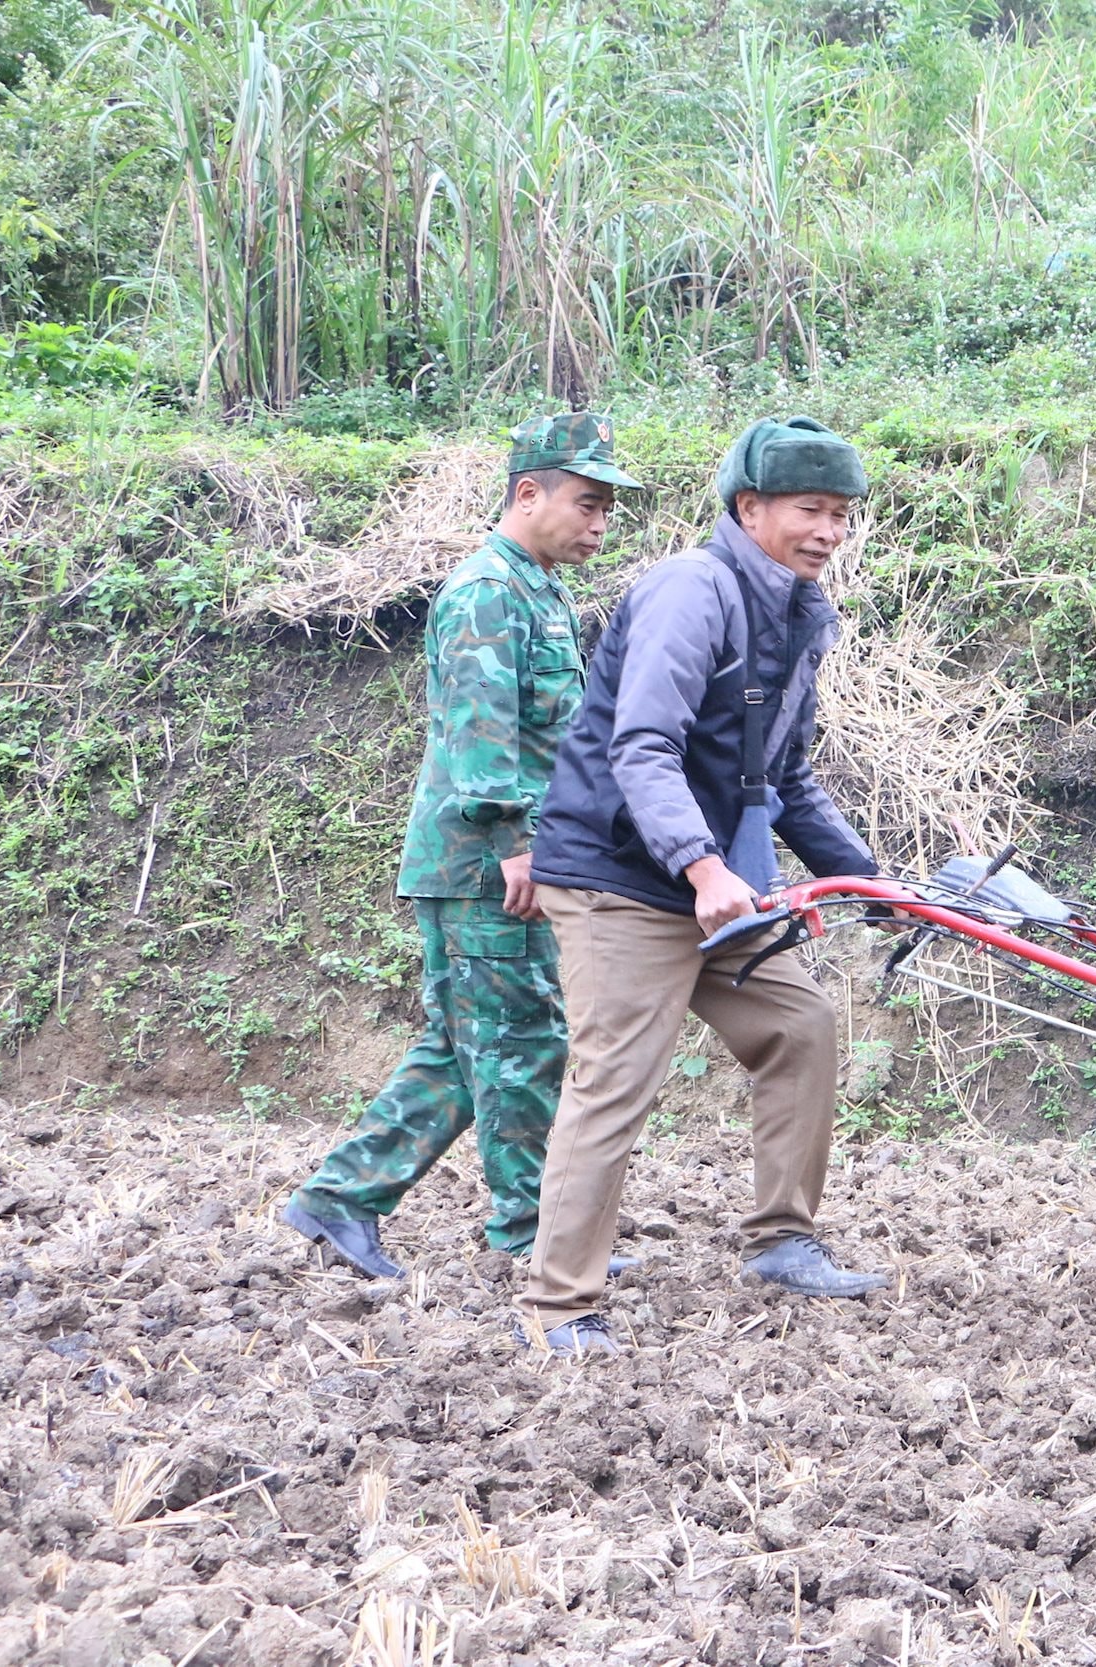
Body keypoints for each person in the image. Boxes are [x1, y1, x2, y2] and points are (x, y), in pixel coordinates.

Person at [517, 415, 889, 1358]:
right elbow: (640, 746)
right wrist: (703, 864)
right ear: (749, 507)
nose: (828, 533)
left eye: (842, 515)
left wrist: (876, 882)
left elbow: (786, 778)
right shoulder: (693, 591)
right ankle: (561, 1307)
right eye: (811, 510)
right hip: (620, 877)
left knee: (798, 1026)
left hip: (711, 881)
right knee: (616, 1078)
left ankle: (781, 1241)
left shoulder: (800, 615)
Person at [284, 413, 641, 1279]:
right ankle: (529, 1235)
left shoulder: (538, 588)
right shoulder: (488, 591)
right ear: (530, 493)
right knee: (521, 1042)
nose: (600, 525)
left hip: (493, 857)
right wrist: (521, 849)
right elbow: (485, 745)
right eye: (588, 505)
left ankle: (339, 1198)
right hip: (488, 863)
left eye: (607, 511)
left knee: (466, 1043)